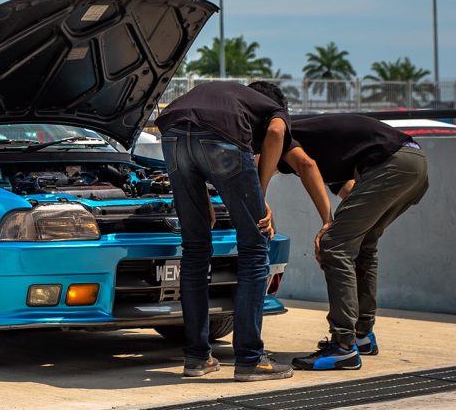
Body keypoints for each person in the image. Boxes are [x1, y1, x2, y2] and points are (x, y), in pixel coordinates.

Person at [249, 82, 429, 371]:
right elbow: (347, 189)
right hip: (412, 161)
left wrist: (328, 227)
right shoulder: (321, 143)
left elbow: (306, 166)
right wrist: (341, 227)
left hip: (391, 163)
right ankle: (362, 335)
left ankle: (343, 346)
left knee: (334, 245)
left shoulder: (284, 133)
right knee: (362, 244)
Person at [155, 81, 294, 381]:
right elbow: (275, 132)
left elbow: (195, 143)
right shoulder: (273, 109)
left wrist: (201, 195)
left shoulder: (227, 96)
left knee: (194, 249)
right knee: (255, 246)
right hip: (218, 139)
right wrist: (260, 197)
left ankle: (196, 358)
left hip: (172, 133)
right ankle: (249, 360)